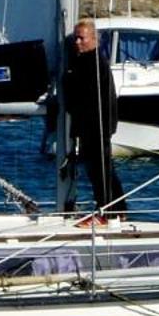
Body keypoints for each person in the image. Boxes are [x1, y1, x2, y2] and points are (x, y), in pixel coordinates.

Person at [60, 19, 127, 217]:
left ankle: (110, 212)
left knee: (101, 171)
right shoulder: (84, 61)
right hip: (89, 126)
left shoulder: (94, 63)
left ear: (94, 39)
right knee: (97, 170)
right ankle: (115, 210)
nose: (77, 42)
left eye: (82, 38)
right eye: (75, 38)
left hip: (96, 126)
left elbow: (81, 93)